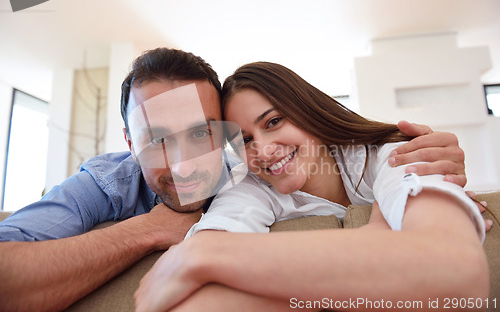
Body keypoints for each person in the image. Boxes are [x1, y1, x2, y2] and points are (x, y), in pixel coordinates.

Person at [0, 48, 475, 311]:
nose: (185, 165)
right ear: (128, 141)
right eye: (158, 140)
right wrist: (147, 231)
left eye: (201, 134)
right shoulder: (107, 183)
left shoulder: (247, 174)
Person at [134, 61, 489, 312]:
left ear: (308, 111)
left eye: (273, 122)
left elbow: (459, 274)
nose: (263, 150)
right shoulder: (249, 186)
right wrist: (382, 236)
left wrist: (202, 255)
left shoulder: (395, 153)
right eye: (244, 140)